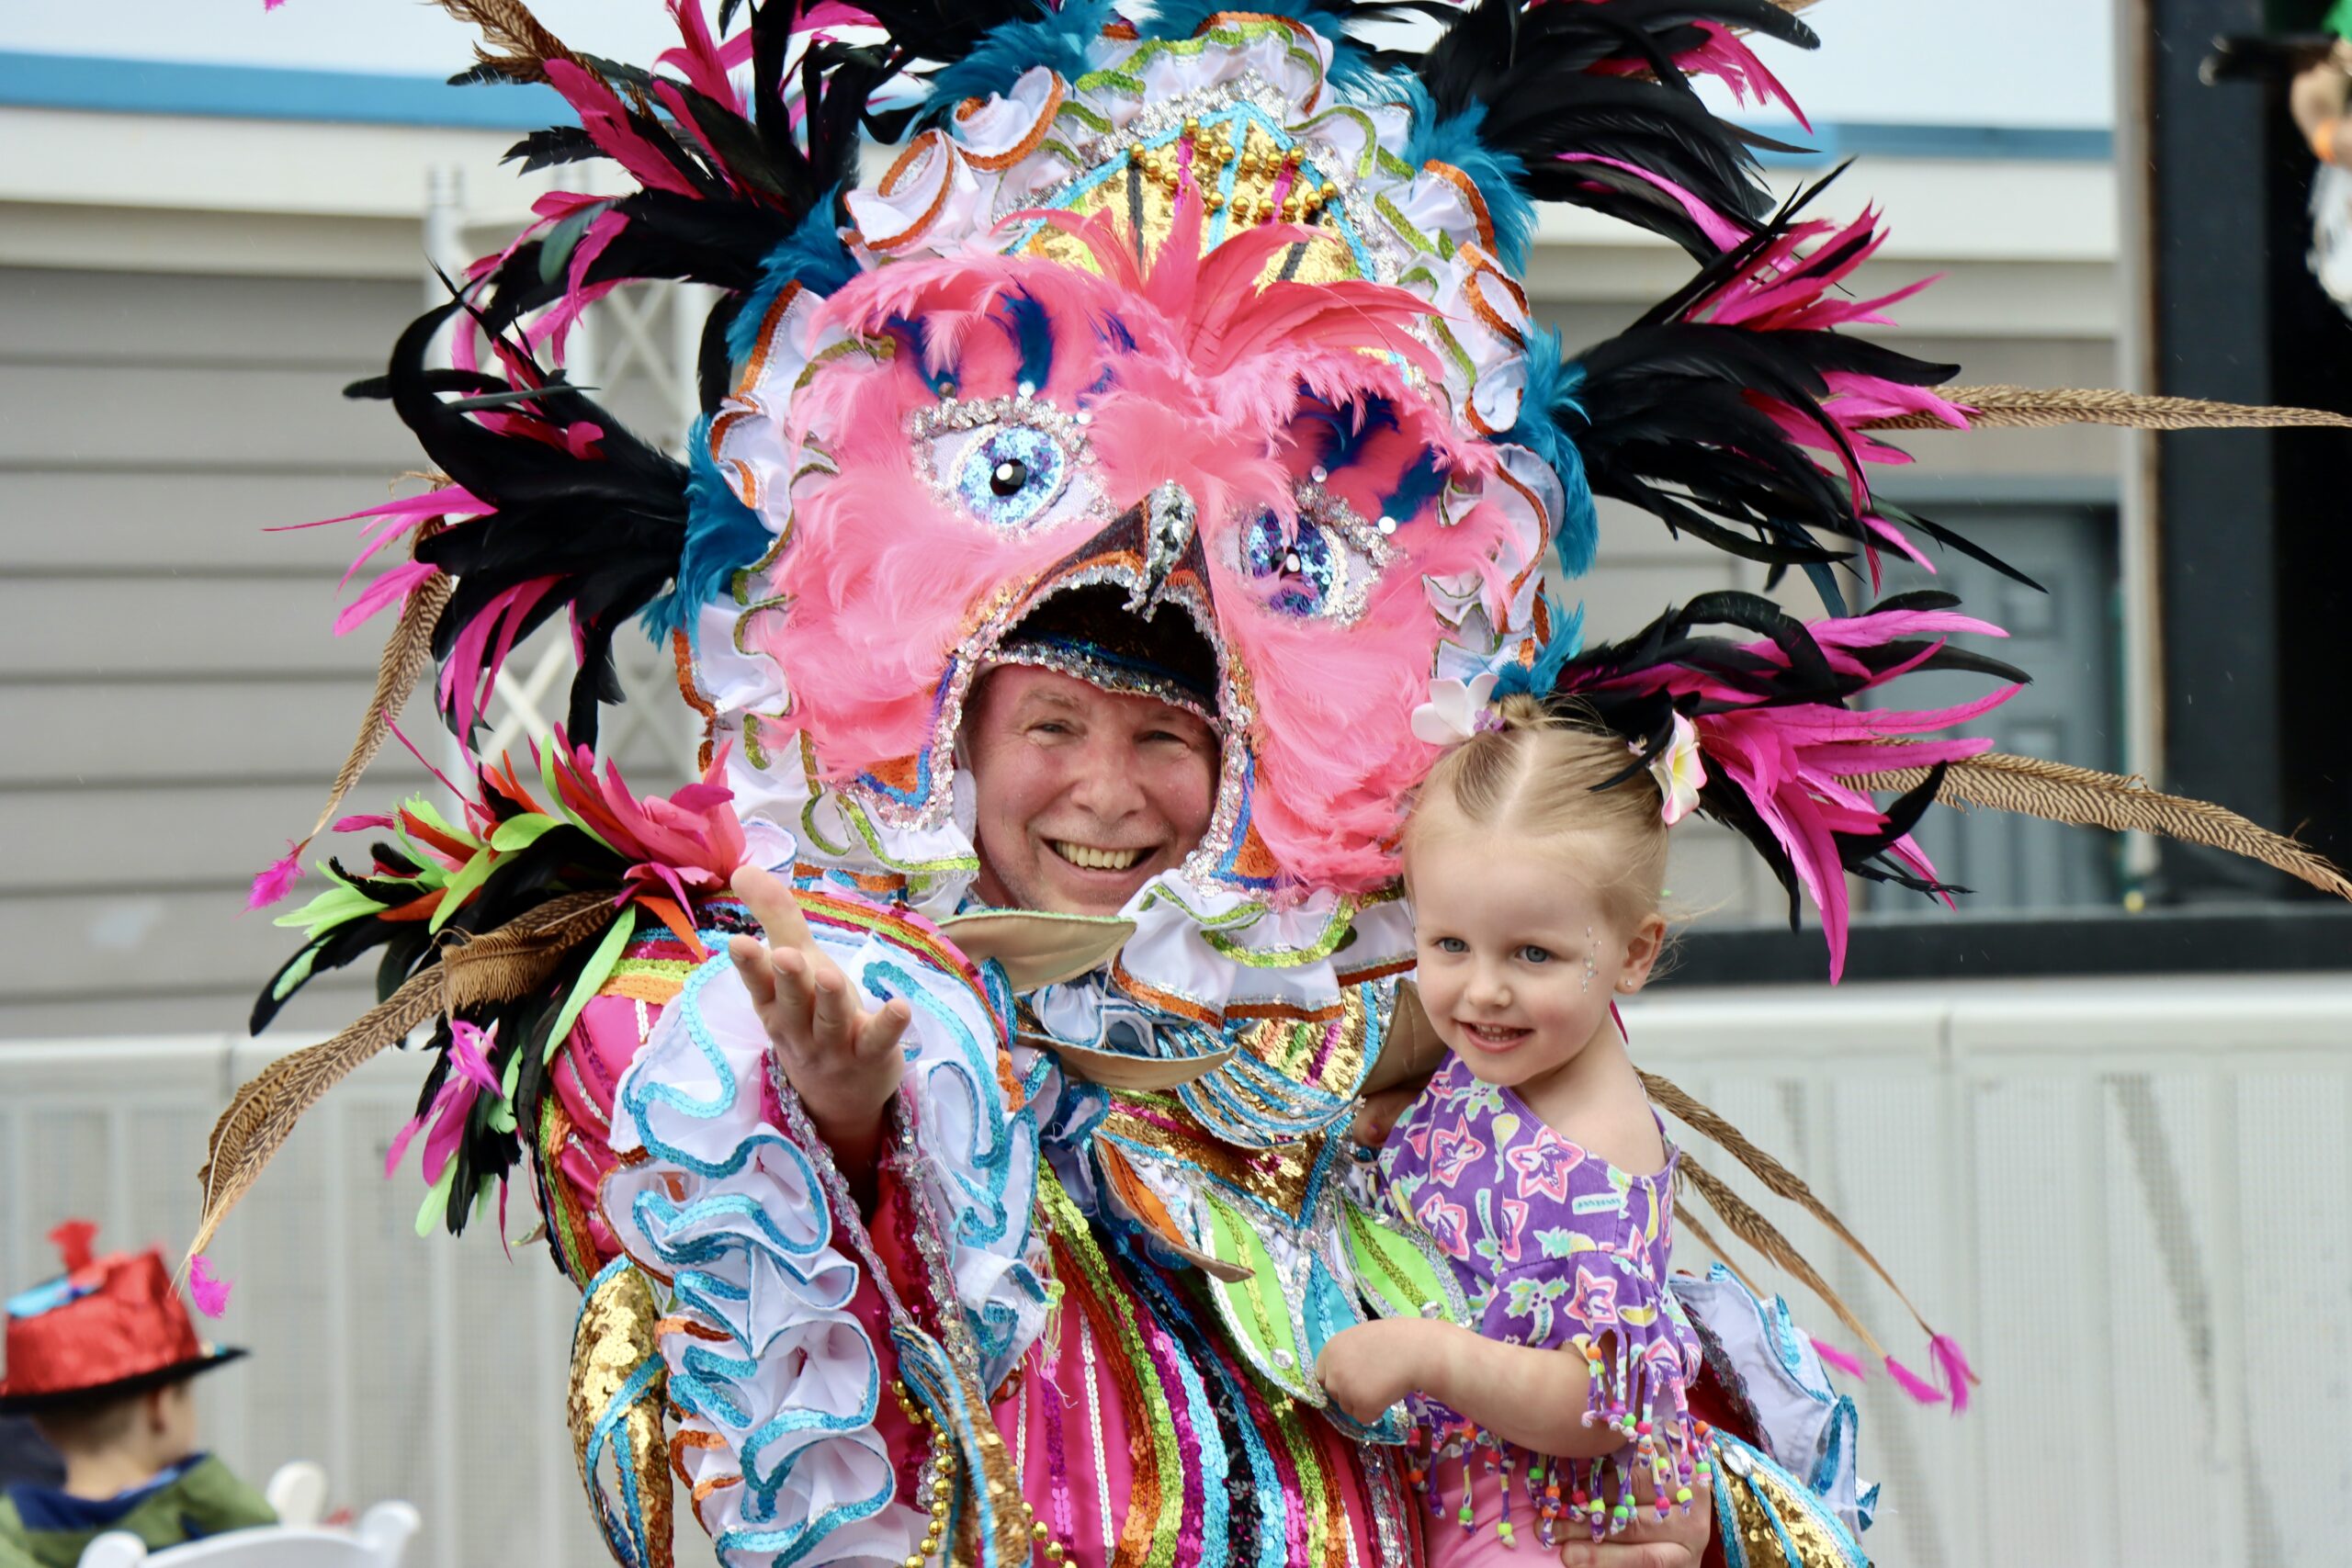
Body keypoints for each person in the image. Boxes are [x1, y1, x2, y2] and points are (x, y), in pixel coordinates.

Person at [199, 3, 2352, 1567]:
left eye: (1168, 735)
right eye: (1053, 725)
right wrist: (844, 1128)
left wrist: (1676, 1508)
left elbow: (1755, 1477)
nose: (1109, 793)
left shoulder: (1420, 1083)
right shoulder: (763, 1029)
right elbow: (714, 1466)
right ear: (947, 731)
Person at [1315, 709, 1695, 1561]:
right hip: (1423, 1484)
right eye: (1451, 943)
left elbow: (1602, 1404)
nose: (1482, 991)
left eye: (1532, 955)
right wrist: (1397, 1131)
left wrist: (1427, 1355)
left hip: (1522, 1526)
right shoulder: (1505, 1058)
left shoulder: (1598, 1159)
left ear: (1633, 953)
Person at [0, 1226, 273, 1568]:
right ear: (160, 1406)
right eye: (185, 1396)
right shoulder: (204, 1507)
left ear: (38, 1423)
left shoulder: (14, 1531)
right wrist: (201, 1479)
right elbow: (279, 1545)